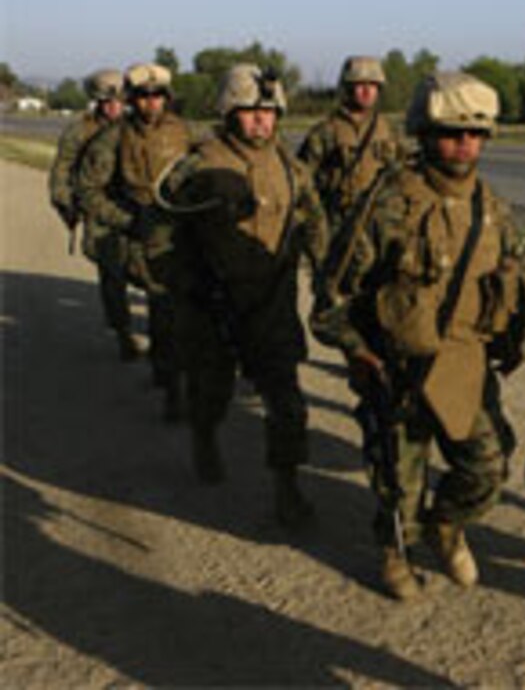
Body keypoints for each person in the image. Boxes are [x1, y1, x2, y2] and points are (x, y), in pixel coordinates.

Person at [310, 71, 525, 600]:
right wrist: (360, 353)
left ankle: (446, 524)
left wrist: (513, 335)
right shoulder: (387, 203)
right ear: (425, 134)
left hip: (464, 365)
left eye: (476, 134)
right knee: (399, 483)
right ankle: (396, 549)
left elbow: (516, 272)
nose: (465, 145)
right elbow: (332, 297)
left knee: (489, 466)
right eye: (453, 132)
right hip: (398, 369)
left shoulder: (492, 208)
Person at [157, 64, 328, 527]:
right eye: (251, 112)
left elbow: (315, 223)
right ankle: (204, 435)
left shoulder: (291, 168)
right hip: (211, 306)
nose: (261, 121)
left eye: (269, 112)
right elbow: (161, 233)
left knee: (287, 403)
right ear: (229, 113)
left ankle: (287, 488)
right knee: (211, 393)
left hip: (270, 303)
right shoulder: (199, 165)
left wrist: (329, 275)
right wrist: (182, 285)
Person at [77, 63, 194, 419]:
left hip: (185, 233)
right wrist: (126, 220)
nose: (151, 102)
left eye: (157, 95)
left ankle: (178, 374)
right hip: (144, 238)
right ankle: (172, 386)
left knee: (190, 312)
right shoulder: (113, 138)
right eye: (143, 96)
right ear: (131, 99)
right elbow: (89, 190)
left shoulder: (184, 132)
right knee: (164, 310)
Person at [49, 68, 138, 361]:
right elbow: (61, 171)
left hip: (134, 208)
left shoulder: (135, 127)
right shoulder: (80, 131)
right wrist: (66, 203)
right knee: (112, 276)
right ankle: (123, 331)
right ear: (98, 102)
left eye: (119, 102)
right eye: (107, 102)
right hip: (98, 210)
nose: (114, 108)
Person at [297, 56, 400, 234]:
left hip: (380, 223)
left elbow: (403, 174)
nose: (367, 91)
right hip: (338, 223)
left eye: (372, 85)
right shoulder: (326, 131)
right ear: (348, 88)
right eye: (360, 84)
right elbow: (302, 179)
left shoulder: (388, 130)